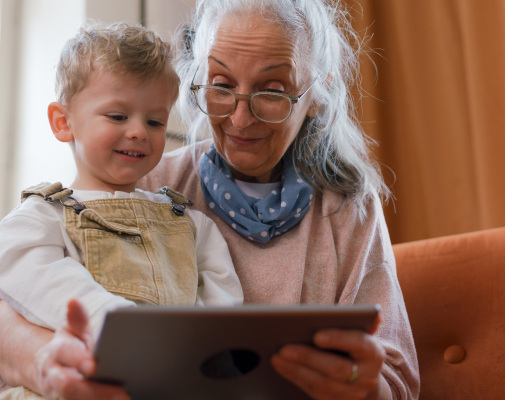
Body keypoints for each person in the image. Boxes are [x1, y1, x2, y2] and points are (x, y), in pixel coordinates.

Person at [0, 1, 420, 399]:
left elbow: (396, 379)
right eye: (221, 85)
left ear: (317, 95)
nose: (240, 118)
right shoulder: (145, 181)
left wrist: (361, 385)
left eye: (272, 90)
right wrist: (42, 361)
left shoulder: (346, 209)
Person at [0, 21, 243, 400]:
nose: (138, 132)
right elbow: (25, 271)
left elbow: (222, 317)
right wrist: (114, 323)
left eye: (155, 121)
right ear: (63, 123)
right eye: (117, 116)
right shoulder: (42, 216)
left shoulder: (192, 224)